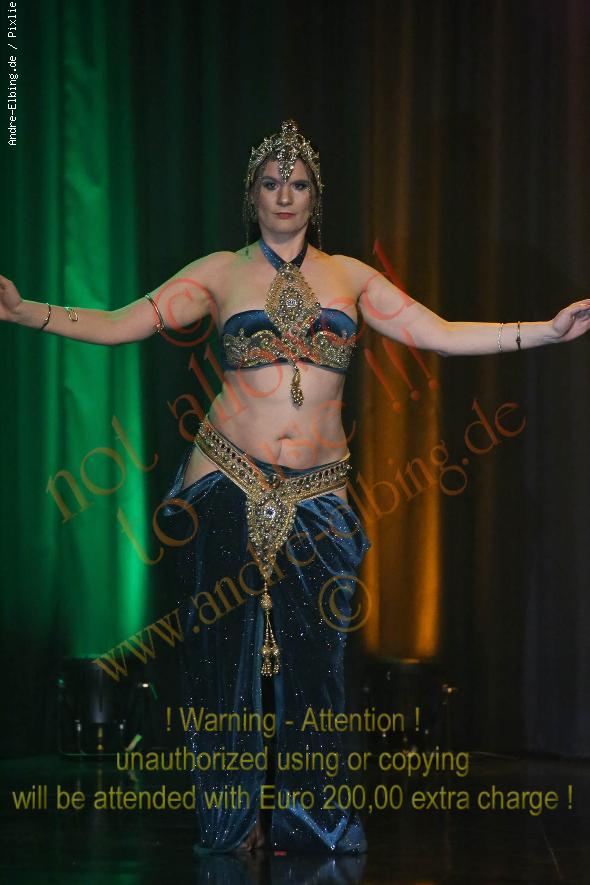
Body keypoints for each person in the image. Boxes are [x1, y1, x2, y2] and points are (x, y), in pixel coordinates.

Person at [1, 120, 589, 856]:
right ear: (252, 195)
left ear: (317, 195)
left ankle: (314, 822)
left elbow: (437, 332)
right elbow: (124, 323)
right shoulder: (220, 272)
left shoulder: (351, 278)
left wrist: (547, 330)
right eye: (272, 183)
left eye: (299, 183)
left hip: (319, 487)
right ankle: (231, 820)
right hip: (225, 474)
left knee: (318, 664)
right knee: (224, 658)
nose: (285, 195)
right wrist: (24, 311)